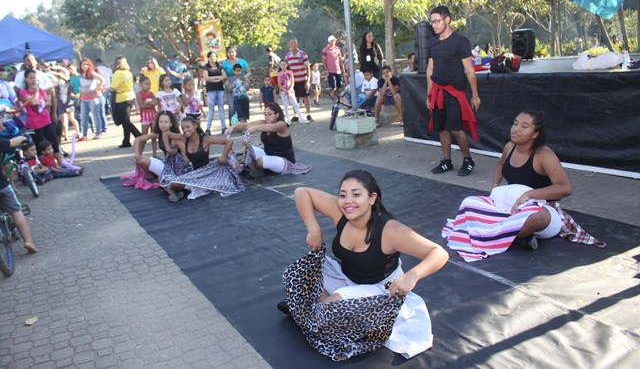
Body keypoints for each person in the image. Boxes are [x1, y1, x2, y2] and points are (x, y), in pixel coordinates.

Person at [278, 170, 448, 360]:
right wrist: (314, 229)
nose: (347, 201)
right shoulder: (340, 210)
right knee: (300, 272)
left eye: (356, 194)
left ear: (372, 198)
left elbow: (438, 253)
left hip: (379, 290)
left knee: (329, 309)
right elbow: (302, 192)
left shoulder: (390, 230)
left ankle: (308, 310)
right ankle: (311, 310)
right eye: (343, 195)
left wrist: (412, 275)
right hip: (347, 278)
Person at [442, 110, 605, 261]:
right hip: (509, 207)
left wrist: (529, 195)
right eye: (515, 123)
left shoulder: (544, 154)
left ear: (535, 134)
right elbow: (500, 165)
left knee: (536, 216)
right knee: (470, 202)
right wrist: (495, 189)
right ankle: (513, 235)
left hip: (542, 210)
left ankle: (499, 235)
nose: (516, 129)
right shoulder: (509, 147)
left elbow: (565, 188)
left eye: (524, 126)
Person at [426, 5, 480, 177]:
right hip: (437, 92)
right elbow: (430, 70)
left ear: (447, 19)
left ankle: (468, 159)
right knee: (442, 128)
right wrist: (429, 95)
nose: (434, 25)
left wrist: (475, 95)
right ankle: (447, 161)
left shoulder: (460, 41)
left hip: (455, 93)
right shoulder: (432, 43)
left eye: (437, 21)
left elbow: (469, 70)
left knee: (456, 128)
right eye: (432, 22)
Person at [161, 116, 245, 201]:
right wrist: (168, 148)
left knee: (175, 183)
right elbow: (165, 134)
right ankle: (182, 190)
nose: (185, 130)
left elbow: (229, 141)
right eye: (183, 128)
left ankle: (198, 187)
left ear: (195, 126)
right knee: (167, 180)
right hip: (194, 173)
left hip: (207, 174)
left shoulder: (205, 139)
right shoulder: (184, 138)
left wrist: (222, 157)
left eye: (187, 127)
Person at [224, 103, 311, 178]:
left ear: (277, 115)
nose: (267, 117)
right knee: (246, 149)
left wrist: (256, 128)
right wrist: (233, 127)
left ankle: (256, 167)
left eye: (269, 114)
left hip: (283, 161)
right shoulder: (263, 122)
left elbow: (273, 127)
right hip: (268, 154)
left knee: (260, 161)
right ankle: (254, 168)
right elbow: (247, 125)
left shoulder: (282, 124)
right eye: (265, 114)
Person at [123, 111, 190, 193]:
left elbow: (188, 154)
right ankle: (152, 175)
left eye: (166, 122)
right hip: (166, 164)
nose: (163, 124)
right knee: (141, 159)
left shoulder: (175, 137)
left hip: (177, 167)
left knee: (161, 178)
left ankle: (172, 188)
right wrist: (137, 154)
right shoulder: (158, 134)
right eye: (161, 122)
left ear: (171, 124)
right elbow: (138, 139)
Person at [0, 134, 38, 253]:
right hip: (1, 186)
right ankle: (28, 241)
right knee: (16, 210)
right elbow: (13, 143)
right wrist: (23, 137)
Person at [19, 69, 64, 166]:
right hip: (34, 123)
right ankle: (44, 165)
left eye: (34, 77)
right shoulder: (23, 92)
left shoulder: (41, 90)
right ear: (26, 79)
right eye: (30, 78)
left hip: (45, 120)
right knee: (39, 144)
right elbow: (34, 102)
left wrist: (42, 103)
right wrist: (37, 92)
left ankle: (60, 162)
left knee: (54, 141)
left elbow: (48, 102)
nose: (33, 80)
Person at [110, 56, 141, 148]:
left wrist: (105, 89)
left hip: (121, 98)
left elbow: (114, 87)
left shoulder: (118, 73)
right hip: (130, 96)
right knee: (125, 120)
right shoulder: (128, 72)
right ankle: (126, 140)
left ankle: (138, 135)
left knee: (125, 121)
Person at [285, 37, 313, 122]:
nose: (293, 45)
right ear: (290, 45)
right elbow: (286, 69)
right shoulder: (288, 56)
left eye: (294, 43)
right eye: (291, 43)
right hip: (292, 81)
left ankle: (308, 114)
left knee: (305, 97)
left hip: (302, 79)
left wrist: (308, 81)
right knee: (294, 98)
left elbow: (307, 67)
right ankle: (296, 114)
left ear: (297, 44)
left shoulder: (302, 54)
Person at [221, 46, 251, 123]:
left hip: (241, 86)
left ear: (235, 52)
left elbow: (249, 72)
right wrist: (227, 82)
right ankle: (232, 124)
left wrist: (245, 77)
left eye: (232, 52)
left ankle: (243, 123)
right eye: (229, 52)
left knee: (243, 105)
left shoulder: (242, 61)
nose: (231, 54)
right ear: (227, 54)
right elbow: (222, 75)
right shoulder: (224, 64)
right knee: (232, 106)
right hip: (230, 86)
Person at [78, 58, 105, 141]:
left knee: (96, 116)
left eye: (86, 64)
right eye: (83, 64)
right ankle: (85, 134)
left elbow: (102, 79)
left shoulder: (92, 74)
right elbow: (81, 88)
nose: (84, 66)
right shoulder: (81, 75)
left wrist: (99, 87)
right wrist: (79, 98)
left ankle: (98, 133)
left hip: (93, 98)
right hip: (84, 99)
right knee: (83, 117)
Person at [201, 51, 228, 135]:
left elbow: (225, 76)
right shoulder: (206, 67)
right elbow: (206, 78)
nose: (212, 58)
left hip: (219, 89)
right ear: (208, 58)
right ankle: (208, 128)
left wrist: (214, 78)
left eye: (214, 56)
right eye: (210, 56)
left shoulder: (220, 67)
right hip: (211, 90)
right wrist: (217, 78)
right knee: (211, 109)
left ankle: (223, 127)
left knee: (221, 108)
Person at [136, 76, 158, 156]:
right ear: (141, 84)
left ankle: (155, 154)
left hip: (153, 116)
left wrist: (147, 103)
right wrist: (151, 103)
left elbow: (156, 102)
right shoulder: (139, 94)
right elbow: (141, 105)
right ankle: (139, 154)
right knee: (144, 136)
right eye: (146, 84)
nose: (148, 86)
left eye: (149, 84)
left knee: (154, 136)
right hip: (145, 117)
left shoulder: (151, 93)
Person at [322, 35, 345, 103]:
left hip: (337, 70)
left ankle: (337, 97)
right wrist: (326, 69)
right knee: (333, 86)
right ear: (330, 42)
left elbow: (340, 58)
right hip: (330, 70)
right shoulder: (325, 50)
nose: (335, 42)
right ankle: (335, 99)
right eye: (333, 41)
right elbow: (324, 60)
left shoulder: (337, 49)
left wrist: (342, 67)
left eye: (335, 41)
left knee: (339, 85)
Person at [94, 58, 111, 134]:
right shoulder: (106, 69)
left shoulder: (96, 72)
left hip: (101, 93)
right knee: (104, 109)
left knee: (101, 111)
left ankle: (103, 127)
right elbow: (110, 77)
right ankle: (104, 127)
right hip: (108, 88)